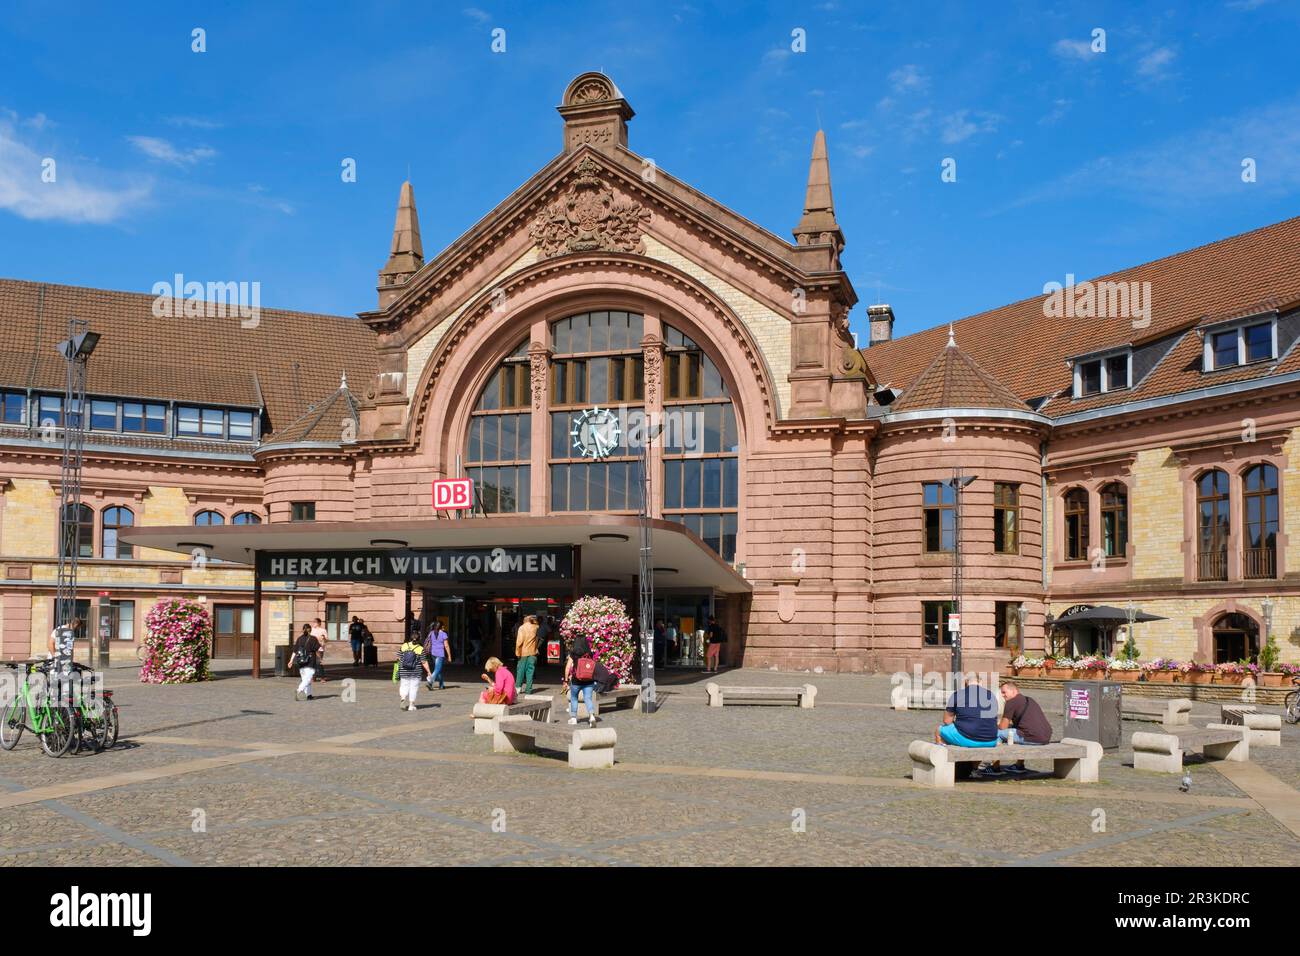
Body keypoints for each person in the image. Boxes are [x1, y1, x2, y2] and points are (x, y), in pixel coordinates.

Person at [987, 681, 1052, 776]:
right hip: (1045, 736)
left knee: (996, 734)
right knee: (1019, 730)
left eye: (1004, 692)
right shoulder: (1029, 699)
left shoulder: (1011, 702)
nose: (1002, 695)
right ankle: (1019, 765)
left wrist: (994, 725)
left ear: (1014, 691)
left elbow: (1002, 727)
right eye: (1002, 693)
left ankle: (995, 767)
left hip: (1031, 736)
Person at [933, 676, 999, 749]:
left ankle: (942, 756)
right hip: (991, 740)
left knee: (939, 730)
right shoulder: (992, 695)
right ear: (980, 684)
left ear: (965, 684)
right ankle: (975, 760)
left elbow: (947, 721)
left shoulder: (957, 694)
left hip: (967, 739)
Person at [563, 634, 598, 727]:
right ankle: (591, 716)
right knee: (588, 698)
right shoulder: (590, 654)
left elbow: (567, 668)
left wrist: (566, 680)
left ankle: (574, 718)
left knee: (574, 698)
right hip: (589, 680)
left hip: (576, 680)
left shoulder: (573, 653)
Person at [396, 631, 430, 711]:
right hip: (415, 672)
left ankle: (403, 699)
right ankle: (411, 705)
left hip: (404, 670)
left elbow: (398, 658)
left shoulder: (404, 646)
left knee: (404, 685)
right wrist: (429, 671)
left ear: (410, 638)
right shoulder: (420, 649)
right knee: (413, 688)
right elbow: (424, 662)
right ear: (419, 639)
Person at [289, 623, 321, 701]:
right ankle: (299, 690)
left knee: (306, 679)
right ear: (311, 630)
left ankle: (309, 695)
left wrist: (291, 660)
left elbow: (295, 651)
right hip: (310, 661)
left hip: (301, 662)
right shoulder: (313, 638)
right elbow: (318, 649)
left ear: (302, 630)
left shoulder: (299, 639)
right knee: (307, 679)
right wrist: (320, 658)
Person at [514, 614, 539, 695]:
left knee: (520, 671)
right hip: (533, 653)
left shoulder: (522, 628)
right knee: (530, 672)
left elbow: (519, 642)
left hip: (523, 653)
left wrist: (517, 652)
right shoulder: (535, 627)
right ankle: (529, 689)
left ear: (524, 620)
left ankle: (518, 688)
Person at [425, 621, 451, 690]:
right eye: (443, 626)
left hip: (433, 653)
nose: (444, 627)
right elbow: (446, 645)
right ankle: (430, 681)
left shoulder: (432, 632)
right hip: (440, 654)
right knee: (437, 670)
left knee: (439, 670)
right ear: (441, 626)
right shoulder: (443, 634)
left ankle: (441, 685)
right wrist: (449, 656)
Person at [310, 617, 329, 681]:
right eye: (313, 622)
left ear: (319, 623)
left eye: (315, 622)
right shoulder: (311, 630)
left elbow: (326, 640)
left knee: (319, 662)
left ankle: (322, 677)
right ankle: (314, 676)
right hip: (312, 648)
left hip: (320, 648)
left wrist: (324, 638)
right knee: (312, 662)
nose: (313, 623)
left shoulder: (323, 630)